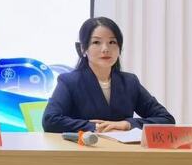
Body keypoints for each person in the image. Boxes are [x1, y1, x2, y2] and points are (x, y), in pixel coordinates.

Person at [42, 16, 174, 133]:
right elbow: (50, 120)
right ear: (83, 49)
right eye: (96, 42)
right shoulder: (69, 81)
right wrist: (94, 127)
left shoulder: (130, 82)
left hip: (121, 150)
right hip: (84, 149)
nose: (105, 49)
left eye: (112, 42)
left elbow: (166, 119)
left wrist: (127, 124)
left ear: (119, 48)